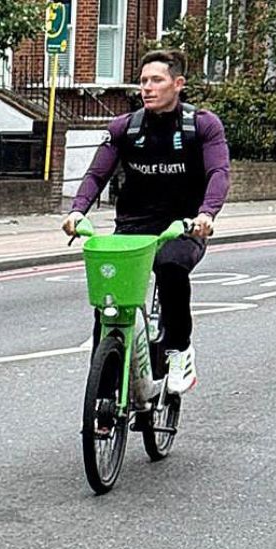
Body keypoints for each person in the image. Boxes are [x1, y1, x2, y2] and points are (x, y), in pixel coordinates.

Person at [62, 49, 229, 395]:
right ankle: (106, 397)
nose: (147, 88)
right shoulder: (125, 128)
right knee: (110, 304)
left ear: (178, 84)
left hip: (183, 227)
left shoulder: (202, 125)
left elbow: (218, 173)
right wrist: (78, 210)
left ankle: (180, 350)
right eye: (143, 81)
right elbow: (96, 174)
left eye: (157, 80)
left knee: (170, 267)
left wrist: (206, 215)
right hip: (133, 227)